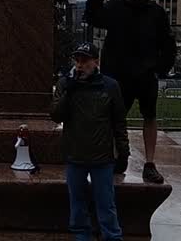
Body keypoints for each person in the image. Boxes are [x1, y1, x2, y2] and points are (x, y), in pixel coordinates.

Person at [85, 0, 176, 184]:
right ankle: (118, 156)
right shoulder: (116, 6)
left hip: (146, 75)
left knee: (150, 117)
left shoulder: (157, 12)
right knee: (114, 119)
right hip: (118, 75)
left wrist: (159, 69)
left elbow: (168, 43)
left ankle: (150, 163)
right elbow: (93, 17)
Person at [51, 42, 129, 241]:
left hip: (102, 157)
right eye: (77, 60)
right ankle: (82, 236)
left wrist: (123, 150)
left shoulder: (110, 86)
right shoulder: (65, 84)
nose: (79, 65)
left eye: (84, 61)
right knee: (77, 204)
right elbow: (56, 115)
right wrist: (70, 91)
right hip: (74, 154)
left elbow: (119, 122)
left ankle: (112, 237)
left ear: (96, 62)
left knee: (106, 204)